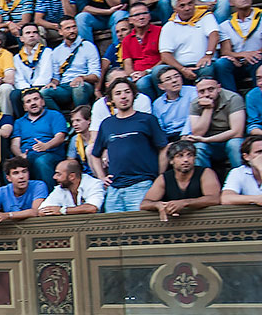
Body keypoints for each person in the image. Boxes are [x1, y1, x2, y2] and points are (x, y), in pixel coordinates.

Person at [90, 77, 169, 212]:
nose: (123, 96)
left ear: (133, 95)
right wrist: (101, 177)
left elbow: (164, 148)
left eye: (127, 92)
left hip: (142, 184)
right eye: (118, 93)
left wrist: (159, 176)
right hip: (114, 188)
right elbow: (95, 154)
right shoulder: (107, 124)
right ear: (111, 99)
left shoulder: (147, 119)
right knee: (113, 225)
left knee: (140, 224)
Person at [159, 0, 236, 92]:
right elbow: (165, 55)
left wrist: (208, 55)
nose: (187, 8)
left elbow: (214, 34)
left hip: (204, 63)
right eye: (182, 6)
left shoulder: (205, 16)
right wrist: (182, 69)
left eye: (190, 4)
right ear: (174, 9)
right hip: (180, 67)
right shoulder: (169, 26)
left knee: (207, 68)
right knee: (158, 73)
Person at [140, 140, 222, 220]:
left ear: (194, 158)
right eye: (180, 156)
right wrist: (157, 205)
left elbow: (214, 199)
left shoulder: (205, 173)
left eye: (190, 155)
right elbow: (144, 204)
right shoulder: (164, 178)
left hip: (204, 220)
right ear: (171, 160)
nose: (186, 159)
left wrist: (184, 203)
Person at [185, 77, 246, 168]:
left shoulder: (233, 98)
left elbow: (237, 132)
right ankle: (205, 176)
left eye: (211, 89)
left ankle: (242, 174)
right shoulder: (195, 103)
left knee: (234, 144)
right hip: (211, 144)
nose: (207, 94)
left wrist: (207, 139)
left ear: (219, 88)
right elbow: (198, 133)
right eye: (202, 91)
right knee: (198, 148)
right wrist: (208, 109)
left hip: (230, 139)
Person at [42, 16, 99, 112]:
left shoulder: (88, 46)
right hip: (64, 86)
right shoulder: (56, 51)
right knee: (44, 92)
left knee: (78, 87)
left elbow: (96, 75)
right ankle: (61, 117)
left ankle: (80, 115)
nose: (72, 31)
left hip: (83, 84)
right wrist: (52, 83)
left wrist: (82, 78)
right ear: (60, 31)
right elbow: (56, 77)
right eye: (68, 28)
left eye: (74, 27)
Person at [12, 88, 69, 181]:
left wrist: (46, 146)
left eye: (36, 99)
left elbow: (60, 137)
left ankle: (49, 191)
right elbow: (15, 144)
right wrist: (20, 155)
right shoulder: (19, 122)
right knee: (11, 166)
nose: (33, 103)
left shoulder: (55, 115)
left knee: (41, 161)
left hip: (50, 153)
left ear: (43, 102)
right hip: (27, 156)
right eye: (28, 101)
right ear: (24, 107)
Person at [0, 157, 47, 228]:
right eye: (15, 173)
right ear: (8, 178)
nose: (21, 176)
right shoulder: (2, 191)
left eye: (24, 171)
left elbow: (36, 211)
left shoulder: (39, 185)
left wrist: (7, 215)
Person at [218, 0, 262, 90]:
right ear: (231, 2)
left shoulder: (260, 17)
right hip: (238, 62)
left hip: (258, 59)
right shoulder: (226, 25)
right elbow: (225, 51)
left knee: (257, 60)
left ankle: (257, 95)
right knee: (221, 64)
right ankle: (231, 97)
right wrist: (242, 55)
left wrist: (253, 55)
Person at [38, 158, 105, 215]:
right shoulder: (60, 187)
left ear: (72, 176)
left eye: (59, 174)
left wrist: (62, 210)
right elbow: (41, 211)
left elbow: (92, 208)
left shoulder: (94, 184)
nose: (54, 177)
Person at [152, 66, 199, 140]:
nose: (174, 80)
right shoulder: (157, 103)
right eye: (168, 79)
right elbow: (160, 127)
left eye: (177, 76)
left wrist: (184, 135)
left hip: (189, 133)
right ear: (161, 86)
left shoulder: (193, 92)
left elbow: (193, 116)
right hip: (170, 136)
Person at [221, 135, 262, 205]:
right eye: (259, 152)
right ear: (246, 157)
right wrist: (256, 199)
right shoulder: (238, 172)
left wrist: (261, 169)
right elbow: (226, 199)